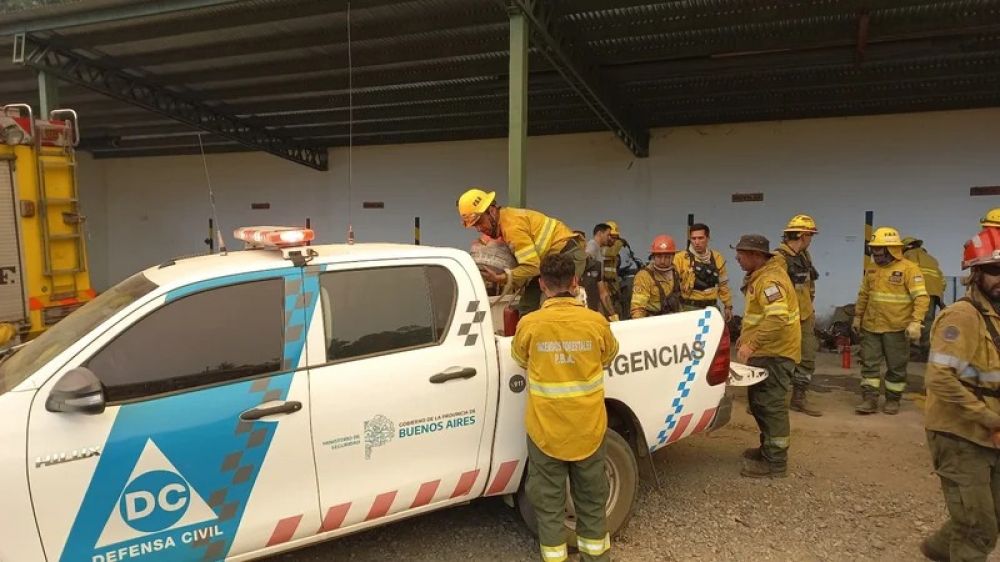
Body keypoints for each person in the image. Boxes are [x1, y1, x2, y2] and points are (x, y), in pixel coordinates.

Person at [511, 253, 619, 562]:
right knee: (592, 504)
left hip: (546, 432)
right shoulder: (596, 323)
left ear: (542, 285)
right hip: (589, 429)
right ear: (575, 283)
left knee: (549, 508)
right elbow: (608, 355)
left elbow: (520, 359)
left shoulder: (529, 325)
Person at [920, 228, 1000, 562]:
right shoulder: (961, 317)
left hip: (988, 429)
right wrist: (990, 418)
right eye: (995, 271)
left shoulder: (995, 314)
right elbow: (940, 379)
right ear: (976, 273)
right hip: (959, 432)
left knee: (990, 512)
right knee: (977, 527)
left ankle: (938, 549)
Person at [457, 188, 591, 314]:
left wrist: (501, 277)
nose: (479, 229)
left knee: (552, 306)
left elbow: (532, 267)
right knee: (527, 307)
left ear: (491, 211)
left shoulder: (512, 228)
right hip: (547, 263)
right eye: (475, 226)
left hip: (567, 257)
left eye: (480, 222)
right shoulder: (505, 223)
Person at [733, 234, 800, 478]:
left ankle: (775, 463)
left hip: (776, 354)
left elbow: (777, 318)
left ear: (756, 256)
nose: (737, 258)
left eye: (741, 253)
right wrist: (746, 338)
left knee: (771, 407)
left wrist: (752, 345)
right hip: (767, 352)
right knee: (760, 404)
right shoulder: (760, 276)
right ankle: (767, 450)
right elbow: (759, 317)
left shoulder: (770, 281)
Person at [853, 226, 930, 415]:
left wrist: (915, 322)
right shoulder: (872, 269)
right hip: (871, 326)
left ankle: (892, 399)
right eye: (874, 252)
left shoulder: (909, 269)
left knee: (896, 366)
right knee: (869, 364)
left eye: (879, 252)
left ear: (892, 250)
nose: (876, 257)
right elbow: (864, 294)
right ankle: (869, 399)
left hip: (897, 327)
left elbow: (921, 297)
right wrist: (857, 317)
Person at [772, 214, 822, 417]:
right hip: (786, 319)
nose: (811, 240)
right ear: (802, 235)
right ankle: (768, 400)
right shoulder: (778, 259)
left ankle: (799, 398)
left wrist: (810, 309)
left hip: (805, 316)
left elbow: (809, 284)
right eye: (810, 235)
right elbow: (772, 290)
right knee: (779, 360)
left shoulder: (804, 256)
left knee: (807, 357)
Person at [675, 223, 734, 321]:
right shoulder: (680, 258)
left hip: (711, 309)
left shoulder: (717, 257)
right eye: (693, 239)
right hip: (688, 309)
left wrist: (728, 306)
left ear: (708, 238)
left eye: (700, 238)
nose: (697, 242)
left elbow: (723, 285)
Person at [903, 236, 946, 356]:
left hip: (916, 291)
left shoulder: (908, 256)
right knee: (928, 321)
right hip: (933, 294)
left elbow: (906, 275)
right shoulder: (932, 259)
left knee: (911, 319)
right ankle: (926, 350)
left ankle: (911, 350)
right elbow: (942, 281)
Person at [631, 235, 682, 318]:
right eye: (659, 256)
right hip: (653, 322)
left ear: (673, 257)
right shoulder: (644, 276)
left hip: (673, 320)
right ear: (653, 256)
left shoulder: (675, 272)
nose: (662, 261)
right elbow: (638, 309)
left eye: (666, 257)